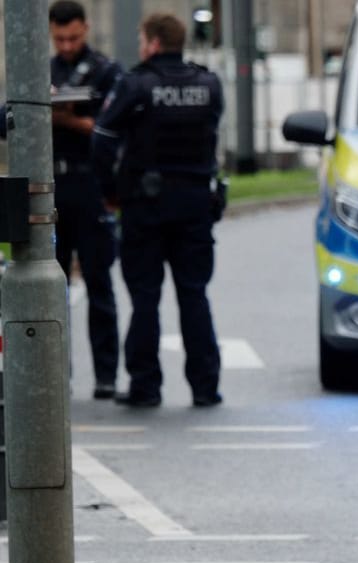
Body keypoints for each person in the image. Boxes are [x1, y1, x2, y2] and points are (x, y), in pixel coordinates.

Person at [92, 12, 225, 408]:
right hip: (197, 205)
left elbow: (102, 138)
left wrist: (109, 191)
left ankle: (145, 386)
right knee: (194, 295)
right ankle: (205, 387)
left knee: (145, 298)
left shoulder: (136, 84)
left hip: (145, 207)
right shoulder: (208, 83)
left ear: (152, 42)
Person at [0, 2, 123, 399]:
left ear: (86, 29)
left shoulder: (106, 71)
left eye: (73, 38)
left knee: (99, 284)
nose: (67, 45)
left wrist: (69, 120)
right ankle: (57, 374)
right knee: (53, 287)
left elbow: (114, 129)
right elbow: (8, 119)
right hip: (51, 188)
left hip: (90, 188)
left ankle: (106, 376)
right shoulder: (40, 69)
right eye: (59, 39)